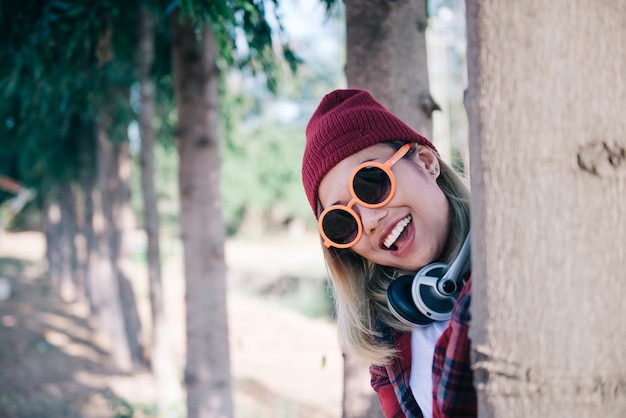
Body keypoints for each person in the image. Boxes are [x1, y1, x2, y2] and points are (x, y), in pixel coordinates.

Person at [301, 89, 477, 417]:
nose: (368, 221)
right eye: (342, 221)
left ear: (426, 162)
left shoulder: (519, 267)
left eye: (371, 183)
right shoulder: (389, 343)